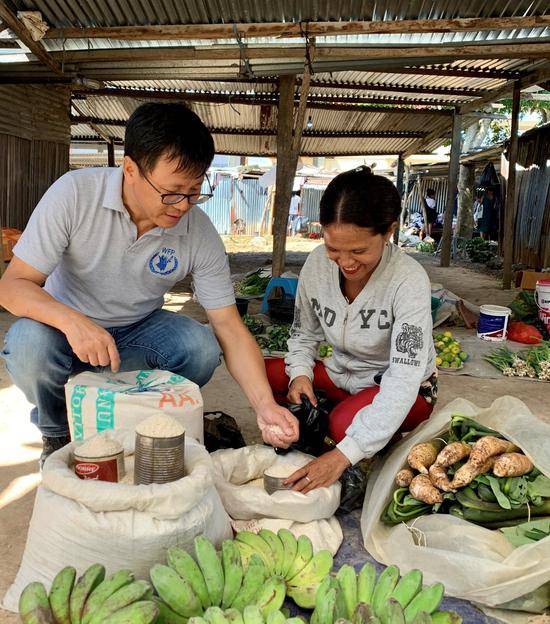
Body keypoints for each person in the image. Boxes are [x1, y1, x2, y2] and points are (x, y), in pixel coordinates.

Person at [0, 102, 298, 466]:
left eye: (194, 192)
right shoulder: (75, 195)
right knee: (28, 344)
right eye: (172, 192)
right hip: (64, 332)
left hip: (138, 332)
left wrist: (264, 406)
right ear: (130, 169)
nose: (183, 206)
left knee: (201, 347)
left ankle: (140, 415)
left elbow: (229, 327)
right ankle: (57, 432)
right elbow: (13, 286)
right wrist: (73, 322)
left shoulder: (197, 231)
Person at [265, 166, 437, 492]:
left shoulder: (408, 280)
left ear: (388, 232)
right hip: (341, 373)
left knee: (341, 429)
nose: (346, 262)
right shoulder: (317, 265)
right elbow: (303, 333)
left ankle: (356, 425)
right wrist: (301, 374)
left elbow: (403, 379)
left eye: (359, 251)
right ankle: (346, 415)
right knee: (262, 376)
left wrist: (343, 455)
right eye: (333, 249)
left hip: (403, 388)